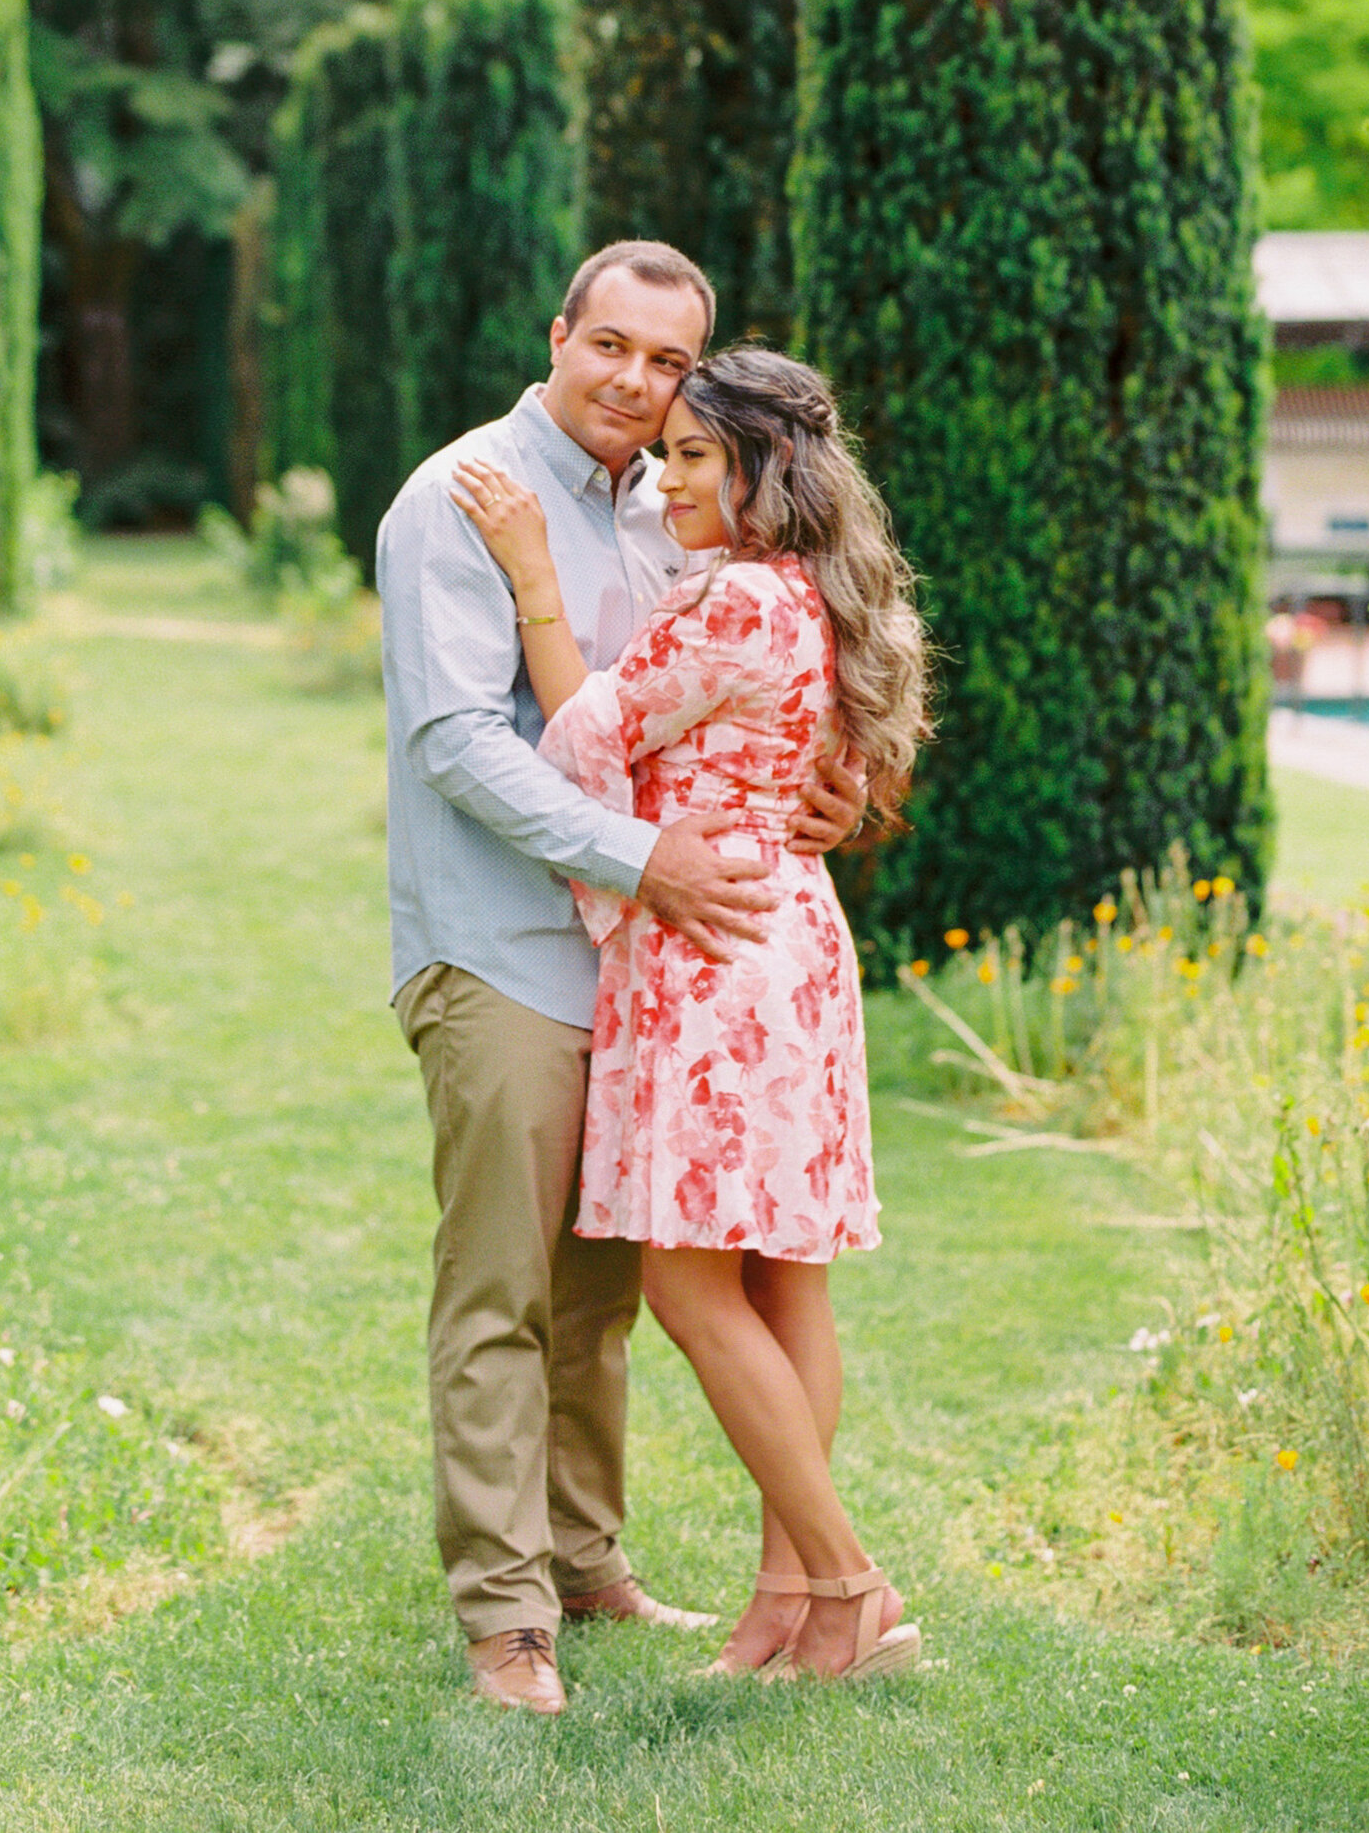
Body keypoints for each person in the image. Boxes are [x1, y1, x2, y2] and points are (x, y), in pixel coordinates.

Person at [377, 245, 870, 1716]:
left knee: (603, 1302)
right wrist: (646, 853)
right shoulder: (459, 497)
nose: (637, 382)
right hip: (508, 951)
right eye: (613, 346)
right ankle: (507, 1620)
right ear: (560, 335)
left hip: (655, 974)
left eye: (668, 363)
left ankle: (588, 1566)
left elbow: (725, 695)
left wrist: (820, 791)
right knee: (501, 1293)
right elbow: (462, 743)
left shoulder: (672, 504)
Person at [451, 344, 931, 1686]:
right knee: (788, 1274)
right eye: (665, 455)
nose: (668, 482)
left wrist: (537, 580)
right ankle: (790, 1602)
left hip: (711, 955)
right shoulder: (818, 599)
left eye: (694, 456)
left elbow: (582, 740)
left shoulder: (730, 610)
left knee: (686, 1277)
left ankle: (846, 1578)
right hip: (790, 935)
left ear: (765, 467)